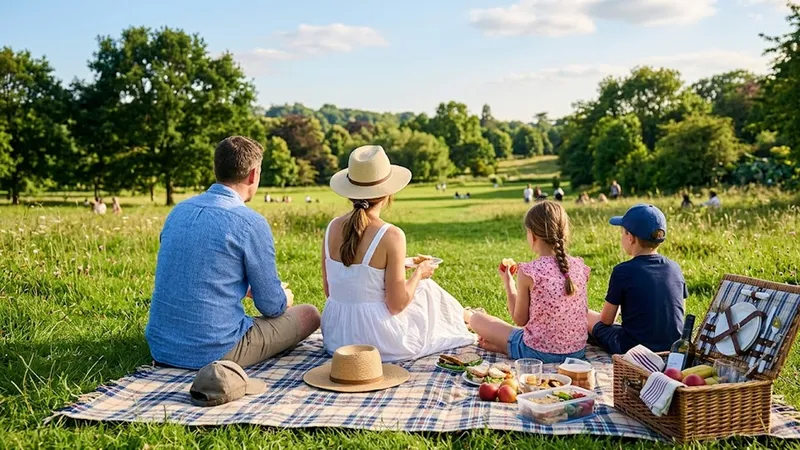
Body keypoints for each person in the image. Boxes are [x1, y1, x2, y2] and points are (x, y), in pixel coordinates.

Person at [145, 136, 321, 370]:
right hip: (216, 350)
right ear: (253, 174)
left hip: (162, 346)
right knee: (309, 314)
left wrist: (242, 287)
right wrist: (284, 299)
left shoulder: (179, 211)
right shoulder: (250, 222)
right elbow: (271, 306)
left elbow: (193, 268)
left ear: (217, 169)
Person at [321, 145, 475, 362]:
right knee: (426, 288)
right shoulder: (391, 235)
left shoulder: (331, 228)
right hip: (379, 344)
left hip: (337, 340)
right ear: (387, 193)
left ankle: (468, 316)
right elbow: (396, 305)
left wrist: (398, 266)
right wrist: (419, 273)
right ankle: (470, 318)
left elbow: (332, 290)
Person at [469, 201, 590, 364]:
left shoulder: (529, 272)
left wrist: (508, 283)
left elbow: (519, 320)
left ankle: (508, 347)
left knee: (476, 319)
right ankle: (507, 346)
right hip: (576, 352)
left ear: (532, 235)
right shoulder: (579, 266)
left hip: (536, 353)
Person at [587, 204, 687, 355]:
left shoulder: (623, 271)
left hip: (633, 349)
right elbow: (679, 311)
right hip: (671, 346)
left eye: (622, 233)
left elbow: (606, 320)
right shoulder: (675, 268)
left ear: (631, 238)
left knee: (586, 315)